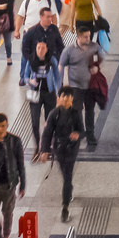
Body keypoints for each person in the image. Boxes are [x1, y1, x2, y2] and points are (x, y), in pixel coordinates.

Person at [37, 89, 86, 223]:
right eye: (63, 96)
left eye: (68, 97)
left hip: (71, 150)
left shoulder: (75, 114)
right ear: (59, 97)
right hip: (59, 149)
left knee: (67, 175)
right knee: (65, 174)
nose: (65, 99)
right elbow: (47, 133)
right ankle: (69, 189)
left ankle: (65, 207)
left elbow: (82, 131)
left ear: (72, 99)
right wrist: (44, 150)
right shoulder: (54, 114)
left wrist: (77, 135)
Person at [23, 37, 61, 153]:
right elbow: (25, 77)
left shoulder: (52, 60)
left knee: (49, 121)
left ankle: (47, 144)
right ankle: (37, 144)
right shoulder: (31, 61)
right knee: (35, 121)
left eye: (42, 48)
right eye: (38, 47)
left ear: (47, 49)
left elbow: (57, 78)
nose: (40, 50)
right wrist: (30, 81)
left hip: (49, 93)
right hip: (35, 93)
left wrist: (58, 93)